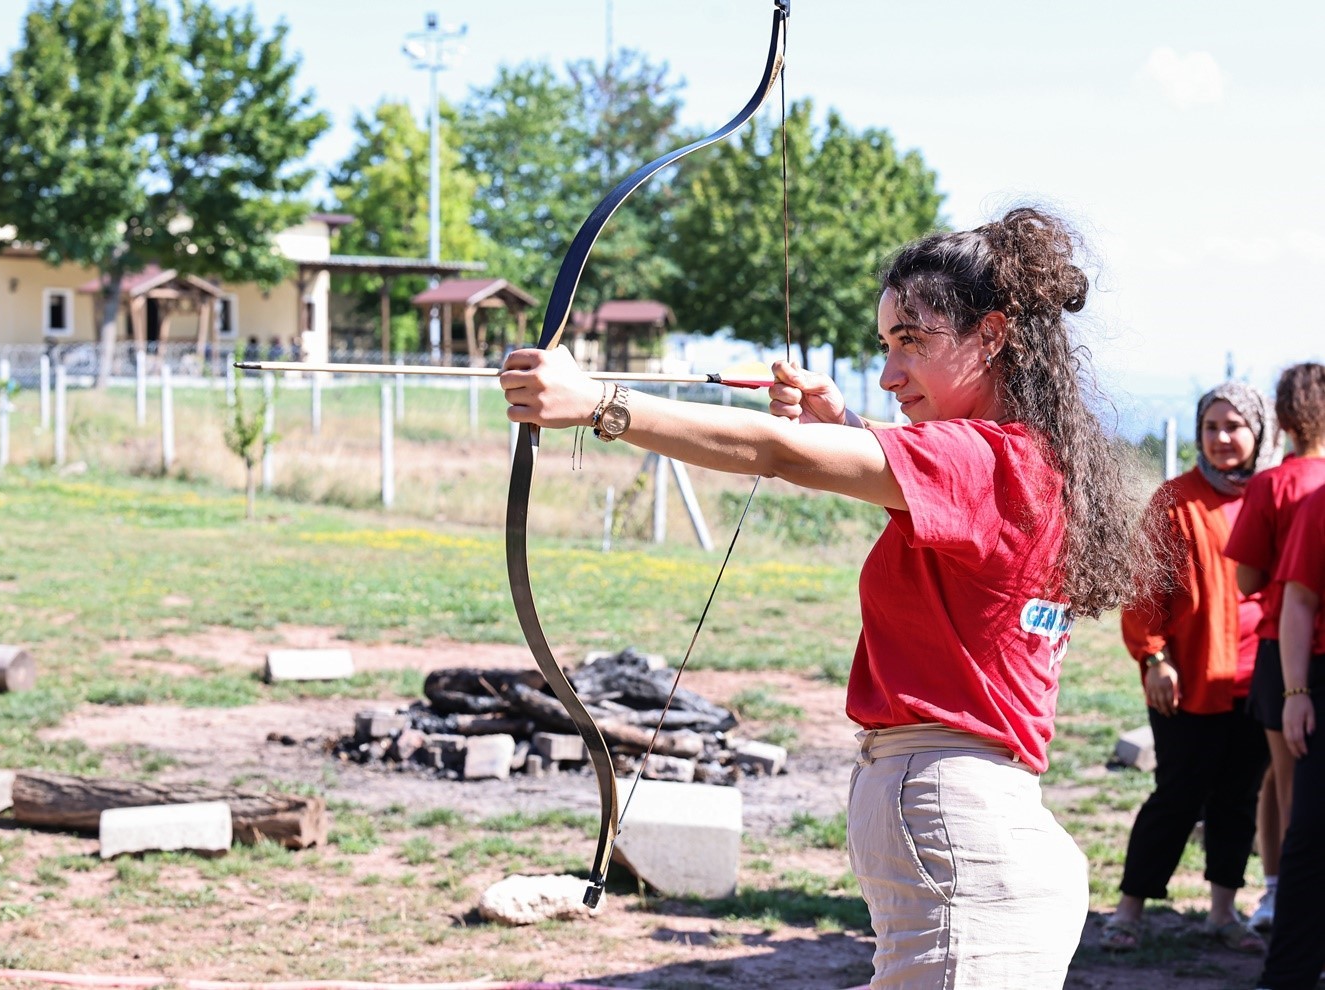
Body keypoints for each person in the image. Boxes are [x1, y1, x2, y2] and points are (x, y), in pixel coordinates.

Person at [501, 207, 1147, 988]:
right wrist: (840, 423)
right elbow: (906, 483)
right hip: (976, 829)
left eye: (912, 341)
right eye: (884, 346)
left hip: (959, 826)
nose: (889, 372)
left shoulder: (983, 461)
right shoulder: (1018, 463)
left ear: (992, 335)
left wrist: (603, 403)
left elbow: (777, 451)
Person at [1102, 383, 1280, 953]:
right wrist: (1154, 658)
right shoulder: (1175, 501)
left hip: (1257, 679)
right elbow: (1144, 592)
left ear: (1259, 432)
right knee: (1177, 793)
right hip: (1189, 676)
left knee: (1238, 797)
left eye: (1235, 426)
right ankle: (1128, 912)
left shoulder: (1277, 498)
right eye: (1212, 427)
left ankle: (1222, 915)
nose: (1223, 438)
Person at [1224, 361, 1325, 925]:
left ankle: (1282, 897)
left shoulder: (1272, 484)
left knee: (1285, 783)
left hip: (1282, 655)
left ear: (1283, 417)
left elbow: (1248, 581)